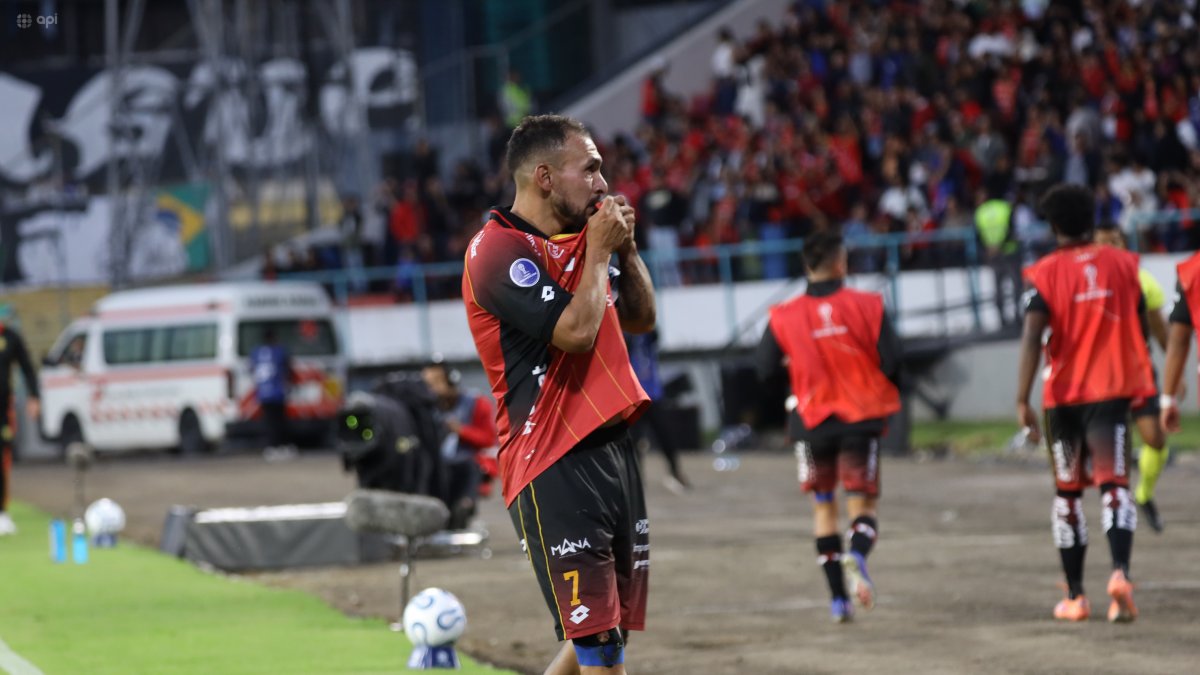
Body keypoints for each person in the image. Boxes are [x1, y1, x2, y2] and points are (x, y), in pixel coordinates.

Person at [462, 114, 656, 674]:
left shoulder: (583, 243)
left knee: (608, 630)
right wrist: (599, 253)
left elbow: (641, 320)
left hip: (615, 453)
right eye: (589, 169)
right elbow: (574, 333)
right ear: (545, 178)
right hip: (553, 460)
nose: (603, 183)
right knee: (601, 646)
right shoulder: (495, 251)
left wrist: (627, 251)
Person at [1016, 184, 1155, 623]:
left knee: (1068, 494)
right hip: (1111, 391)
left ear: (1054, 226)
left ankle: (1076, 597)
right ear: (1092, 220)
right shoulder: (1123, 264)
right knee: (1115, 486)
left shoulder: (1044, 273)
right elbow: (1140, 325)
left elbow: (1032, 338)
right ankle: (1120, 575)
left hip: (1062, 398)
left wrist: (1021, 399)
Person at [756, 229, 902, 623]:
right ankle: (858, 555)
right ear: (841, 263)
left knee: (823, 508)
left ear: (806, 265)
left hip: (810, 421)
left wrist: (795, 378)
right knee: (862, 505)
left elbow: (764, 368)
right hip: (860, 418)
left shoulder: (783, 315)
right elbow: (893, 360)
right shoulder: (869, 305)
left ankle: (839, 601)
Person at [1094, 221, 1173, 532]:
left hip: (1138, 374)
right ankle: (1117, 505)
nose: (1109, 247)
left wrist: (1175, 373)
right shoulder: (1088, 283)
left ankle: (1143, 495)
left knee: (1155, 438)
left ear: (1125, 245)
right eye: (1103, 242)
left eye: (1115, 241)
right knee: (1113, 447)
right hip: (1100, 378)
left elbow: (1160, 329)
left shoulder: (1143, 280)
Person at [421, 360, 499, 529]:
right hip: (441, 465)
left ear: (451, 382)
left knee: (468, 468)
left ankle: (464, 507)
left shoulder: (476, 403)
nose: (431, 389)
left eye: (435, 383)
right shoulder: (427, 408)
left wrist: (461, 431)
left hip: (469, 463)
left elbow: (488, 439)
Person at [624, 330, 689, 493]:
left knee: (666, 435)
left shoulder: (647, 334)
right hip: (634, 397)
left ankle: (675, 472)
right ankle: (636, 479)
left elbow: (654, 332)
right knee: (635, 440)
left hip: (654, 395)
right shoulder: (626, 336)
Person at [0, 310, 40, 536]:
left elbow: (27, 367)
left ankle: (2, 512)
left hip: (2, 411)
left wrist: (34, 396)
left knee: (2, 458)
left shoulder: (10, 337)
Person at [250, 327, 294, 457]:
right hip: (277, 391)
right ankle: (280, 446)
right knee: (279, 421)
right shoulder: (279, 351)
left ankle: (271, 447)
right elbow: (287, 367)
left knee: (269, 422)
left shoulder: (256, 352)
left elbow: (252, 368)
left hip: (263, 392)